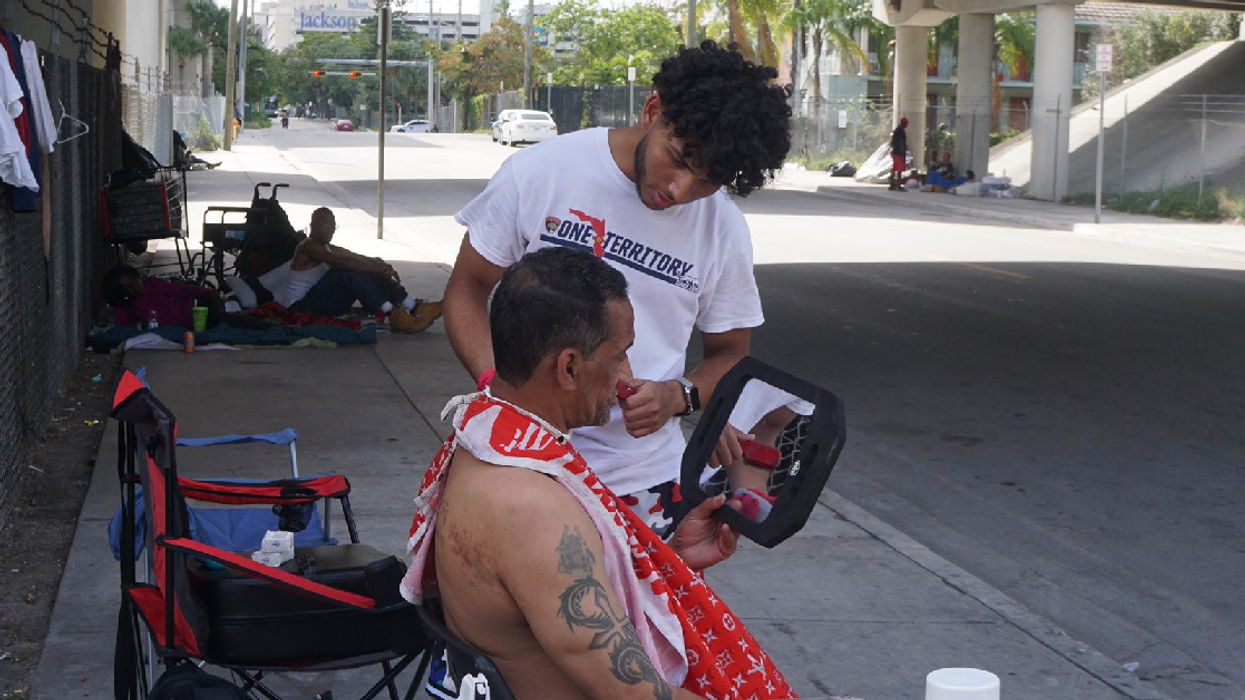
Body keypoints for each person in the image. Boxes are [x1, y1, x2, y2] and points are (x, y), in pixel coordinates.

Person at [402, 247, 796, 700]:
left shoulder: (484, 433)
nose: (628, 376)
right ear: (568, 367)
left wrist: (670, 559)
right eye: (620, 356)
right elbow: (640, 696)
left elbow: (536, 588)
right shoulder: (532, 509)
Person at [443, 40, 792, 536]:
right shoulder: (544, 172)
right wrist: (496, 390)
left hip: (645, 482)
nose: (680, 191)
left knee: (636, 616)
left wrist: (679, 395)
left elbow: (732, 353)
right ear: (653, 110)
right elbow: (467, 288)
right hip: (521, 460)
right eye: (679, 158)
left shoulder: (723, 229)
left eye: (707, 180)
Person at [257, 207, 443, 334]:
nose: (331, 230)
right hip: (301, 309)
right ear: (314, 225)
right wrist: (375, 268)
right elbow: (346, 264)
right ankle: (393, 315)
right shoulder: (308, 246)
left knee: (365, 268)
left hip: (322, 305)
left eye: (333, 226)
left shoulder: (326, 246)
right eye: (326, 225)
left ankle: (414, 307)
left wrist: (378, 264)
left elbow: (352, 256)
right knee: (345, 273)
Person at [102, 265, 270, 331]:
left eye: (132, 280)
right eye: (126, 287)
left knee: (222, 320)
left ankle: (267, 327)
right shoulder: (130, 308)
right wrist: (140, 325)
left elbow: (182, 290)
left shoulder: (153, 284)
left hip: (197, 308)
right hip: (191, 326)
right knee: (221, 325)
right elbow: (120, 327)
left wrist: (208, 293)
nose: (133, 287)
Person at [889, 117, 909, 191]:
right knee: (899, 169)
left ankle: (892, 184)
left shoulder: (896, 130)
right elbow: (901, 142)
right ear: (904, 124)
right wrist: (902, 152)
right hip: (899, 153)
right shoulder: (901, 131)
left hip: (895, 152)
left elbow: (892, 142)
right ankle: (898, 185)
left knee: (894, 168)